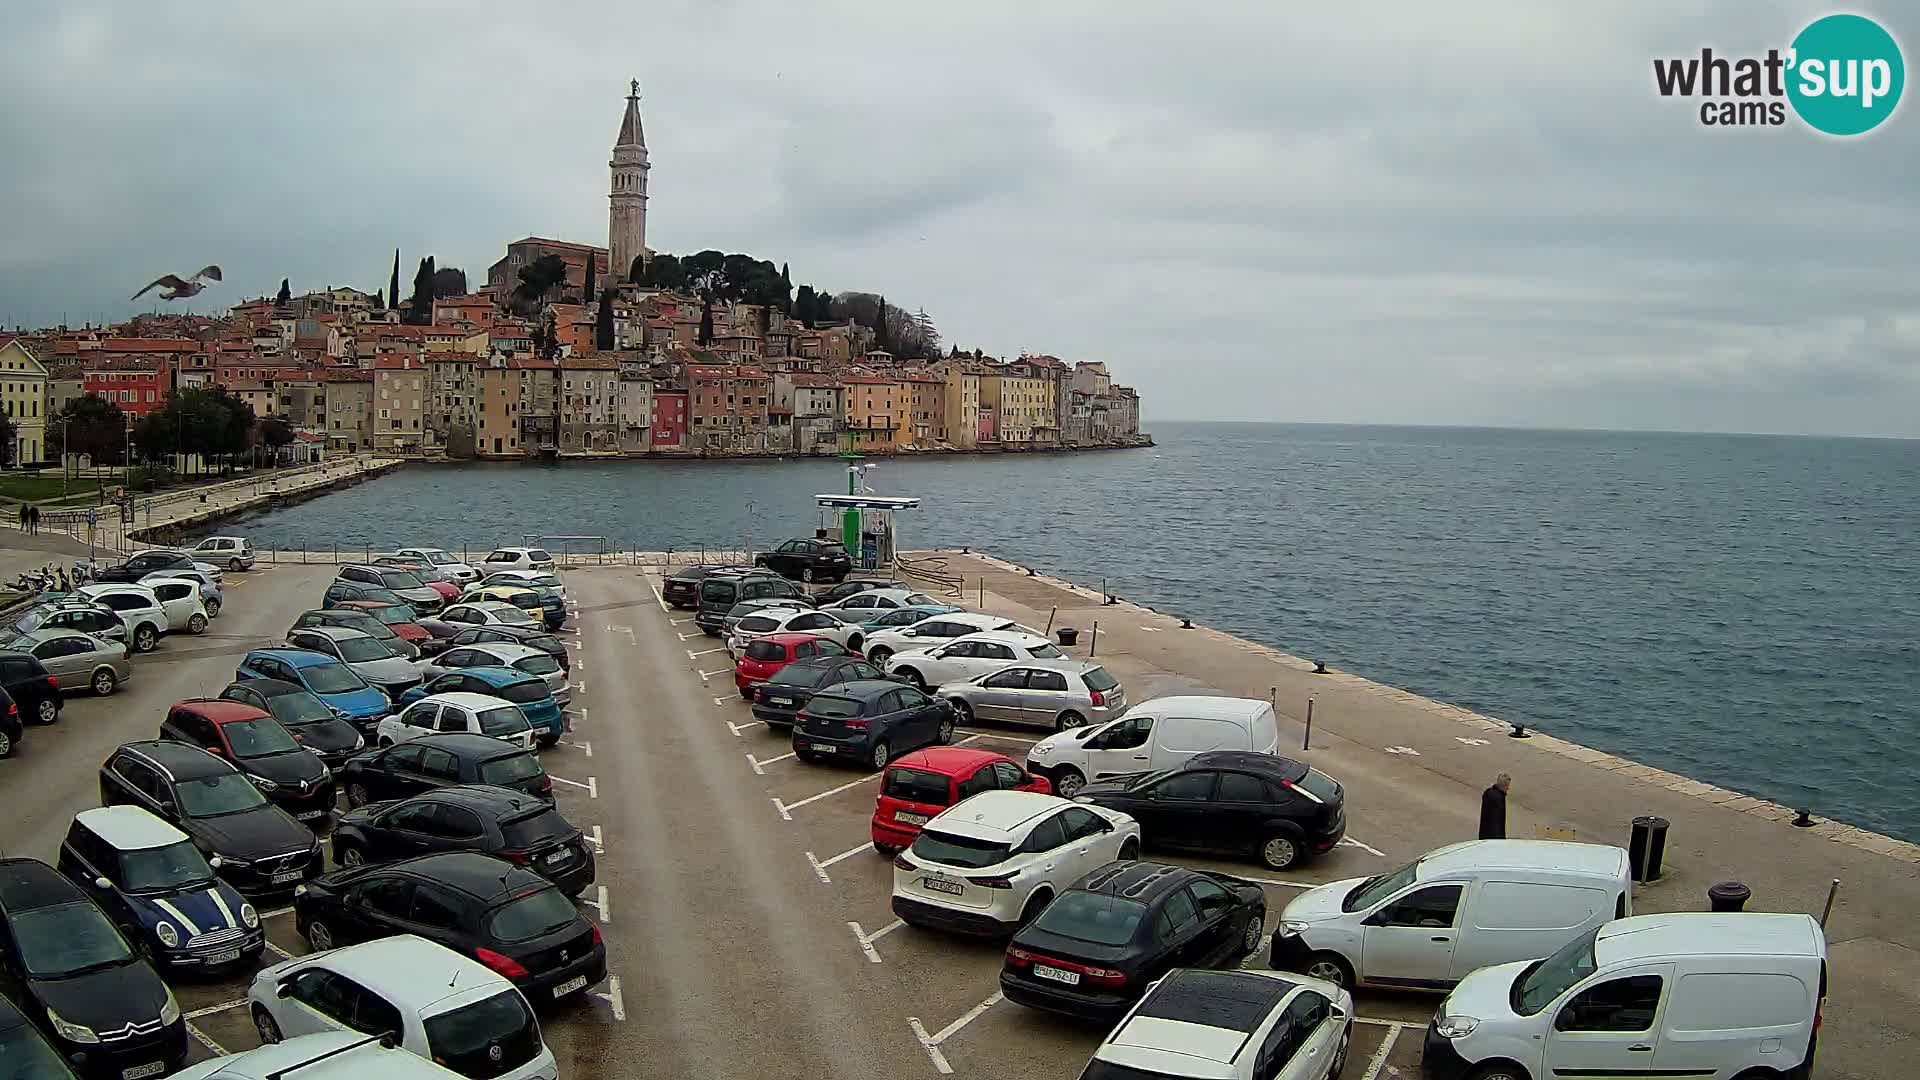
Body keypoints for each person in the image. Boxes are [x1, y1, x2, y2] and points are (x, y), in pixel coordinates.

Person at [1479, 773, 1511, 840]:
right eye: (1507, 786)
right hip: (1494, 838)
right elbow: (1498, 821)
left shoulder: (1488, 793)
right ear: (1503, 785)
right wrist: (1500, 840)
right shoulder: (1499, 798)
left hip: (1484, 835)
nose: (1508, 788)